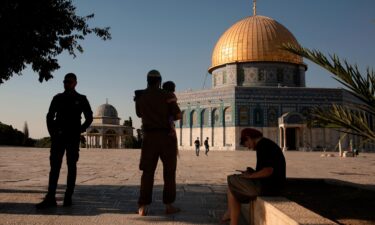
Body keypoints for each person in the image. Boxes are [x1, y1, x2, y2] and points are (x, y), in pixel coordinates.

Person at [36, 73, 93, 209]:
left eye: (69, 81)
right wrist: (53, 133)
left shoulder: (81, 99)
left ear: (75, 83)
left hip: (72, 138)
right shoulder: (58, 98)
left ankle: (68, 197)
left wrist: (79, 130)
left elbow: (89, 117)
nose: (66, 83)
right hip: (59, 137)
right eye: (65, 81)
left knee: (71, 166)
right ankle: (50, 197)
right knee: (54, 167)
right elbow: (49, 116)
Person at [134, 70, 181, 216]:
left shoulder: (140, 96)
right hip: (166, 138)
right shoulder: (167, 95)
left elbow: (139, 114)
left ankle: (143, 206)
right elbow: (177, 115)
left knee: (147, 172)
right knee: (169, 172)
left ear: (147, 80)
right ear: (159, 81)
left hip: (149, 138)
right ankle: (168, 205)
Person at [222, 128, 286, 225]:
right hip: (271, 184)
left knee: (231, 179)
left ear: (249, 138)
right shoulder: (265, 144)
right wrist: (251, 172)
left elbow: (268, 171)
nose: (248, 147)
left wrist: (250, 176)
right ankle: (232, 219)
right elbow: (266, 169)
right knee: (233, 186)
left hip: (269, 187)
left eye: (247, 144)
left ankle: (231, 216)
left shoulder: (263, 146)